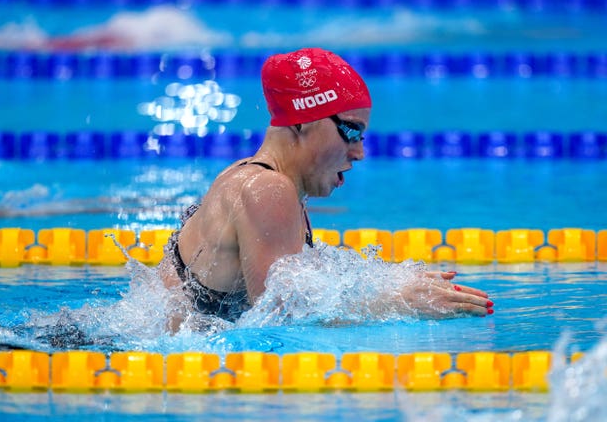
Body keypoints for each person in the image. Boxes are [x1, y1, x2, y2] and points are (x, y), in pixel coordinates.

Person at [157, 48, 493, 330]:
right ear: (303, 120)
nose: (359, 152)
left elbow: (299, 291)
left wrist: (396, 281)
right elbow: (278, 318)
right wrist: (398, 301)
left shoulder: (257, 180)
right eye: (351, 132)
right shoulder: (267, 188)